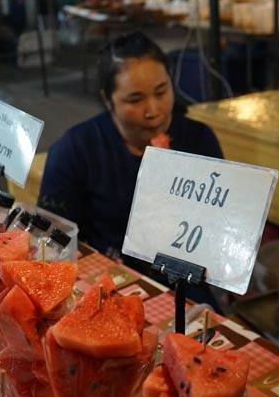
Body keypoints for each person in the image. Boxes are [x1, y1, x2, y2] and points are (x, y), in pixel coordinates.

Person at [39, 31, 223, 266]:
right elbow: (52, 236)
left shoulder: (198, 139)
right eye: (135, 100)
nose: (153, 110)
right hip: (107, 274)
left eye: (161, 92)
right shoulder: (76, 149)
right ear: (108, 100)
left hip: (183, 278)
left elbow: (219, 228)